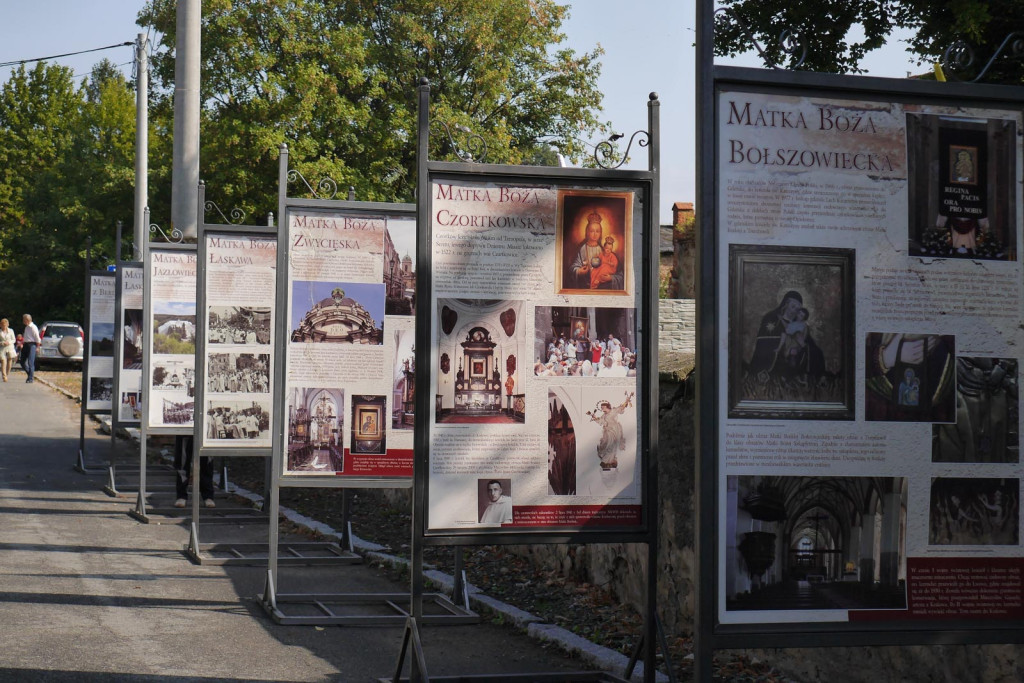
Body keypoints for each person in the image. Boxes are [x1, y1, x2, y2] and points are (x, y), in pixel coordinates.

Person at [587, 392, 634, 470]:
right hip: (607, 431)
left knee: (610, 445)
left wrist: (627, 401)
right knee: (605, 445)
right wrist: (594, 417)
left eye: (603, 407)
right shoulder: (604, 415)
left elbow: (621, 408)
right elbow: (601, 421)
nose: (602, 409)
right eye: (601, 408)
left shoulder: (613, 411)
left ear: (606, 406)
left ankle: (608, 461)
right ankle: (609, 461)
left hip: (614, 430)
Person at [173, 435, 215, 508]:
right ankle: (181, 496)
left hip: (204, 429)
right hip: (185, 428)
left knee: (207, 461)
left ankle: (208, 496)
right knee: (182, 461)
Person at [21, 314, 40, 383]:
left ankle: (30, 378)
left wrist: (37, 347)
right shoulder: (26, 327)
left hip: (32, 345)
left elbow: (37, 338)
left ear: (27, 320)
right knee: (22, 361)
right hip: (26, 344)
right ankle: (30, 374)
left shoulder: (33, 327)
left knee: (30, 362)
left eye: (24, 319)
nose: (23, 321)